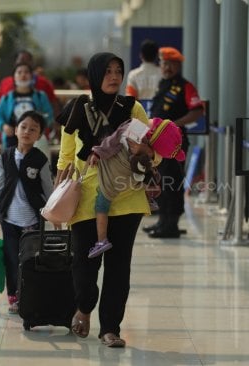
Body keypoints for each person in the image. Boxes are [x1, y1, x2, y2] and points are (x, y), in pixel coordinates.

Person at [56, 52, 150, 347]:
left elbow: (152, 150)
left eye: (118, 71)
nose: (113, 76)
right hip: (85, 196)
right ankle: (84, 307)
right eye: (107, 71)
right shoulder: (77, 108)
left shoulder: (133, 108)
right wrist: (59, 179)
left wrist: (142, 152)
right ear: (95, 75)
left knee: (118, 266)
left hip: (126, 195)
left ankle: (110, 328)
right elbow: (66, 152)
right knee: (84, 264)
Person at [87, 117, 185, 258]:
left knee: (101, 205)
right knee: (145, 176)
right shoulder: (145, 141)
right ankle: (148, 197)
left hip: (111, 178)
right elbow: (155, 161)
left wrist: (97, 153)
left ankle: (102, 240)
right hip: (129, 181)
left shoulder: (134, 127)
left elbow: (111, 141)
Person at [0, 110, 53, 313]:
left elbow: (48, 188)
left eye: (33, 129)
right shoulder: (5, 157)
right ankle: (14, 297)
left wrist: (53, 213)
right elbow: (0, 188)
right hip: (9, 219)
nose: (27, 132)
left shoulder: (40, 160)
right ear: (15, 130)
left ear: (39, 135)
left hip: (32, 221)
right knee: (11, 258)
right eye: (23, 127)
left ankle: (29, 295)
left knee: (30, 259)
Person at [145, 47, 203, 238]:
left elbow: (197, 111)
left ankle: (171, 224)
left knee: (172, 182)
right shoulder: (163, 84)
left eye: (171, 64)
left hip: (175, 142)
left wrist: (172, 126)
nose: (167, 67)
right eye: (164, 63)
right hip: (157, 143)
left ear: (178, 65)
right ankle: (163, 220)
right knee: (161, 181)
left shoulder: (185, 86)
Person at [0, 62, 53, 153]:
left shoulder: (40, 96)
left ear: (31, 76)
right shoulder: (6, 98)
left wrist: (38, 127)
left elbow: (49, 115)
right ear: (14, 77)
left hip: (36, 141)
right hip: (11, 140)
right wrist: (4, 126)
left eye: (26, 72)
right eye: (19, 72)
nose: (23, 75)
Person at [0, 50, 60, 116]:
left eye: (28, 60)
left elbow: (53, 105)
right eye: (21, 60)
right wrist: (4, 125)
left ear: (32, 63)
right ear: (15, 62)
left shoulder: (44, 84)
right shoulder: (5, 83)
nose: (24, 63)